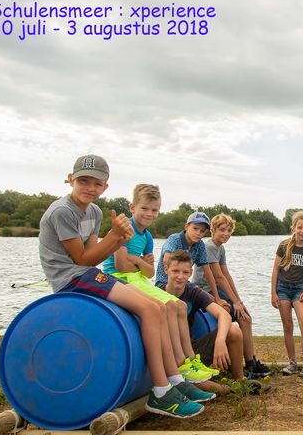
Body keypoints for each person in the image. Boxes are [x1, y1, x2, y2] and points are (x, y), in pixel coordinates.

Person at [38, 155, 212, 419]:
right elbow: (82, 259)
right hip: (69, 279)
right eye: (83, 181)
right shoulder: (63, 211)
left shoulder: (94, 212)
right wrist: (116, 237)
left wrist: (118, 242)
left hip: (86, 273)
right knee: (151, 310)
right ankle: (161, 391)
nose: (90, 188)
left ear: (105, 187)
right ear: (71, 180)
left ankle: (175, 380)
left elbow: (93, 256)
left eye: (97, 183)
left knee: (158, 306)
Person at [102, 184, 216, 387]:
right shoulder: (124, 229)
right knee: (166, 306)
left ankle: (190, 361)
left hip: (137, 278)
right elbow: (120, 265)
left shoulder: (146, 236)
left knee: (179, 305)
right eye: (144, 208)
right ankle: (180, 363)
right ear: (132, 207)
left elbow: (150, 272)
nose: (149, 214)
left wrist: (136, 261)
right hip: (118, 277)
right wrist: (139, 261)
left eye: (154, 210)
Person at [160, 250, 270, 394]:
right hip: (170, 354)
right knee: (187, 382)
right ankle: (226, 390)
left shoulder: (193, 292)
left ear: (190, 273)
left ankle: (239, 380)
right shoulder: (157, 294)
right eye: (175, 271)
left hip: (192, 351)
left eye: (185, 272)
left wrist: (220, 341)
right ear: (166, 270)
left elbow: (224, 315)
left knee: (234, 330)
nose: (180, 277)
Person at [192, 213, 271, 378]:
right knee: (242, 317)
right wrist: (233, 302)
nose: (226, 234)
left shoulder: (220, 247)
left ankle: (251, 362)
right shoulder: (210, 247)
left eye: (229, 230)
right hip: (205, 291)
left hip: (218, 290)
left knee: (246, 316)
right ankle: (248, 364)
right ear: (212, 230)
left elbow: (226, 274)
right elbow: (218, 277)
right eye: (222, 230)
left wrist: (238, 300)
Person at [271, 211, 303, 378]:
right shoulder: (284, 245)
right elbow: (275, 270)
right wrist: (273, 293)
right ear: (293, 227)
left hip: (300, 289)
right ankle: (292, 363)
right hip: (282, 289)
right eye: (300, 227)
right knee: (288, 326)